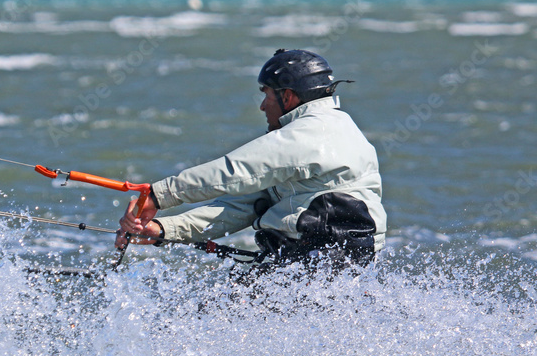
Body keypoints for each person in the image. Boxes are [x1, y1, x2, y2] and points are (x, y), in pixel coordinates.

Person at [116, 48, 386, 267]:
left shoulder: (314, 132)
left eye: (267, 95)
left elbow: (235, 171)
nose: (262, 106)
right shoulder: (325, 130)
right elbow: (242, 207)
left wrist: (158, 195)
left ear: (288, 97)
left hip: (324, 260)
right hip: (315, 258)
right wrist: (163, 230)